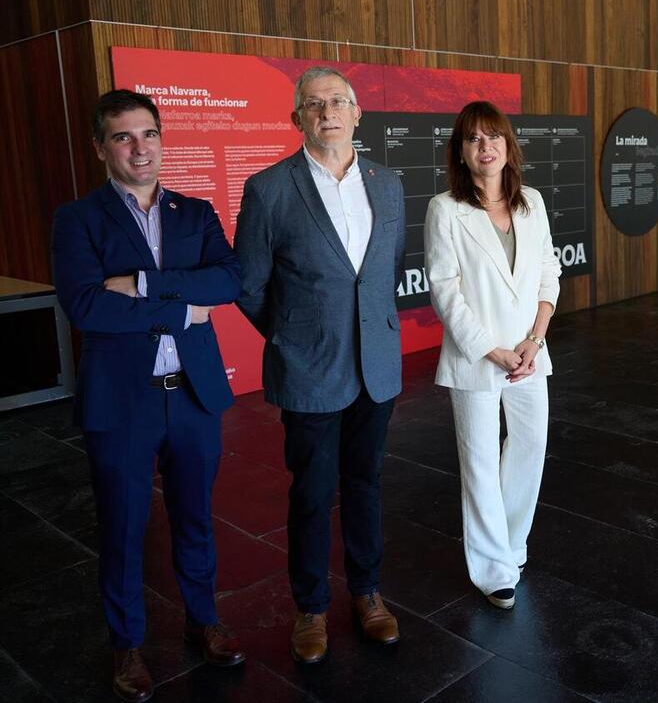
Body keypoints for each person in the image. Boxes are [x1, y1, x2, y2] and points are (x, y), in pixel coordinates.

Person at [51, 89, 245, 702]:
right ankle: (127, 644)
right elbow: (86, 306)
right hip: (122, 403)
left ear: (163, 138)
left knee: (195, 518)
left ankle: (203, 621)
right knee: (123, 526)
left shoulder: (195, 212)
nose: (140, 148)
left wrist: (141, 284)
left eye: (148, 134)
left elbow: (229, 279)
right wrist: (183, 311)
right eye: (123, 137)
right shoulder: (77, 219)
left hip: (191, 395)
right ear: (101, 147)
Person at [234, 67, 406, 662]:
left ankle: (368, 594)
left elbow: (380, 275)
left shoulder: (388, 184)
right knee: (311, 492)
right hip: (310, 369)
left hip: (376, 367)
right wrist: (291, 338)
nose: (327, 112)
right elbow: (250, 286)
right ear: (297, 120)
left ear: (358, 113)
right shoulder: (269, 190)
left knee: (365, 484)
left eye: (338, 102)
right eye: (313, 105)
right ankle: (310, 608)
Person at [424, 101, 561, 609]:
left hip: (530, 353)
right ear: (461, 152)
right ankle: (490, 570)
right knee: (479, 460)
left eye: (494, 137)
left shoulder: (533, 203)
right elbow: (444, 289)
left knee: (529, 447)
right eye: (474, 139)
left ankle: (511, 546)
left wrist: (536, 337)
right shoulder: (446, 210)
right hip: (477, 356)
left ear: (508, 145)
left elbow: (549, 272)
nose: (486, 147)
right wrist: (492, 350)